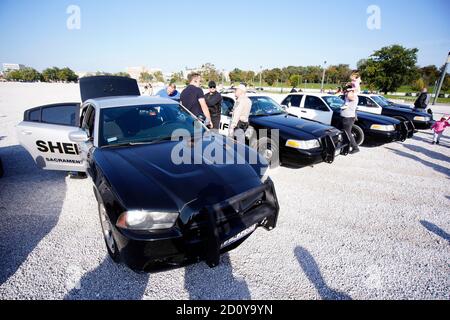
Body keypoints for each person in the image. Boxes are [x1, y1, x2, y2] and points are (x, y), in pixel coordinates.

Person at [340, 84, 360, 154]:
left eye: (347, 90)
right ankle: (345, 147)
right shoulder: (349, 95)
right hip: (346, 117)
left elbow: (349, 96)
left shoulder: (353, 96)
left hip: (348, 117)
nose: (346, 91)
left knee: (347, 133)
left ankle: (355, 147)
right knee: (345, 133)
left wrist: (350, 90)